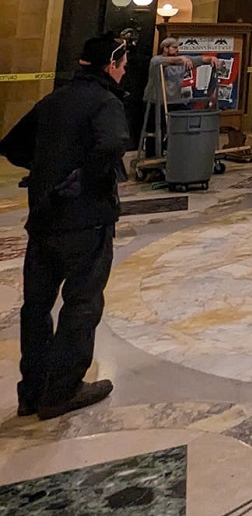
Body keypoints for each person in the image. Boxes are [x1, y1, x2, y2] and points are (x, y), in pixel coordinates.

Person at [0, 33, 129, 419]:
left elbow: (12, 145)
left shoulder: (54, 99)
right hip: (85, 220)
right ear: (111, 66)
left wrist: (48, 172)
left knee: (36, 306)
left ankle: (32, 390)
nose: (124, 73)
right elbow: (113, 143)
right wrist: (83, 178)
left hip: (43, 218)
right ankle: (62, 390)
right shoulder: (106, 101)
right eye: (123, 66)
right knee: (81, 302)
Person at [142, 36, 197, 158]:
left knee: (176, 129)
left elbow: (197, 60)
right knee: (156, 129)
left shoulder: (181, 61)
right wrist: (181, 59)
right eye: (174, 47)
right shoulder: (156, 60)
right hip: (157, 101)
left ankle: (172, 154)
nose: (177, 50)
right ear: (166, 49)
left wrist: (210, 59)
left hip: (174, 101)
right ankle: (152, 156)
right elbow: (160, 62)